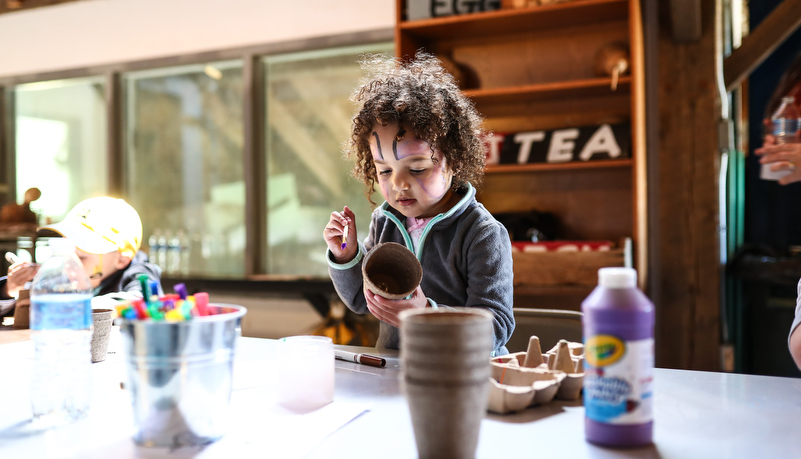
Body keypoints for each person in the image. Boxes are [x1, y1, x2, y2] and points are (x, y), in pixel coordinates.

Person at [323, 53, 515, 355]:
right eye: (384, 170)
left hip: (461, 377)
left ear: (454, 161)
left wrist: (427, 313)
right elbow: (362, 301)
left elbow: (497, 327)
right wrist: (346, 256)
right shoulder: (384, 221)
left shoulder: (482, 233)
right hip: (396, 373)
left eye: (417, 168)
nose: (399, 183)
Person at [0, 196, 162, 318]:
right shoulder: (63, 274)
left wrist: (72, 305)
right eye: (65, 253)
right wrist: (9, 290)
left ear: (120, 259)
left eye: (81, 257)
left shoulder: (138, 271)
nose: (69, 263)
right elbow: (29, 304)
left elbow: (145, 302)